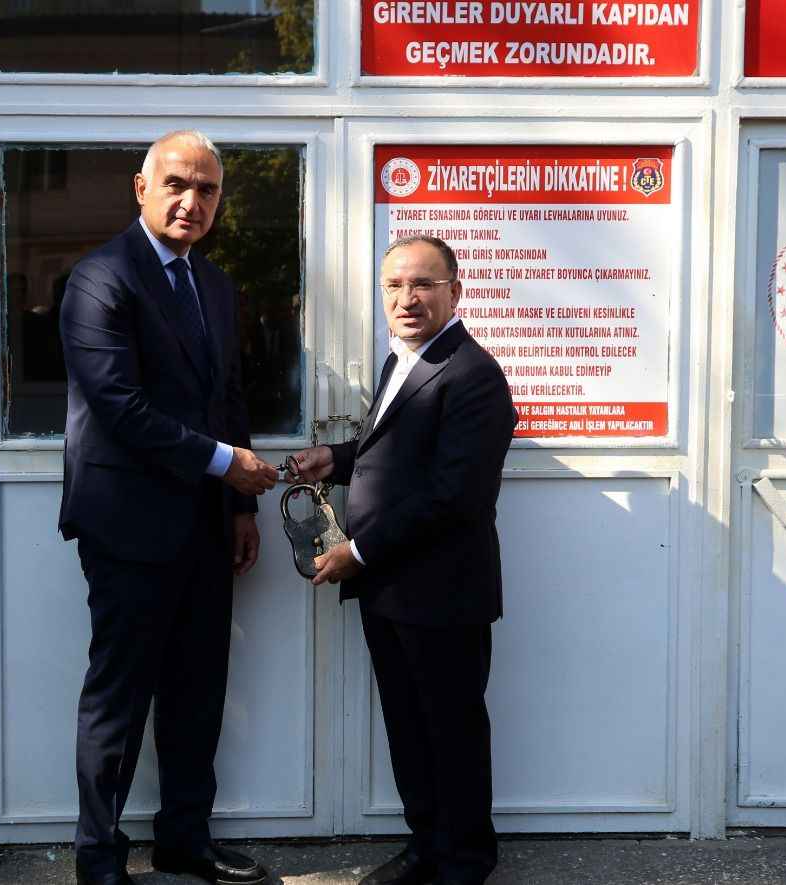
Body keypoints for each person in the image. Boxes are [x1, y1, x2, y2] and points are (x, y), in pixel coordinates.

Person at [58, 130, 279, 885]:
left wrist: (241, 507)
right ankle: (99, 857)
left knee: (197, 692)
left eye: (207, 189)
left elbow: (227, 397)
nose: (192, 201)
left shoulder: (214, 285)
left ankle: (185, 839)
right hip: (128, 525)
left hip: (207, 525)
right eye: (177, 184)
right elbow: (118, 405)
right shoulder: (100, 277)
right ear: (141, 187)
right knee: (119, 699)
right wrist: (226, 464)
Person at [291, 236, 515, 885]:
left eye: (423, 284)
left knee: (451, 733)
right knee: (409, 728)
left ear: (455, 291)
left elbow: (455, 496)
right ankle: (427, 849)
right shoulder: (404, 360)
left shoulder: (473, 375)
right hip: (391, 588)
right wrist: (335, 459)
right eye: (394, 285)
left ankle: (464, 863)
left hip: (443, 592)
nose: (406, 298)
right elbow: (390, 449)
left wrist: (357, 551)